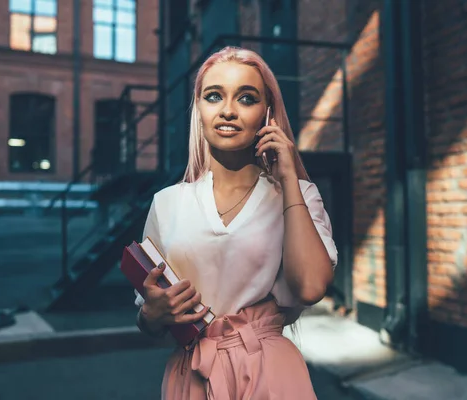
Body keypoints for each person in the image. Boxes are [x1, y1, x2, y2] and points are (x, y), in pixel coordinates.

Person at [134, 46, 338, 400]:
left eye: (246, 98)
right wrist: (151, 314)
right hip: (192, 372)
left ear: (267, 113)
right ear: (198, 108)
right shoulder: (167, 203)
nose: (228, 110)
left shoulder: (298, 195)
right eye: (214, 96)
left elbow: (310, 288)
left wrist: (288, 177)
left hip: (269, 372)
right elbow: (148, 319)